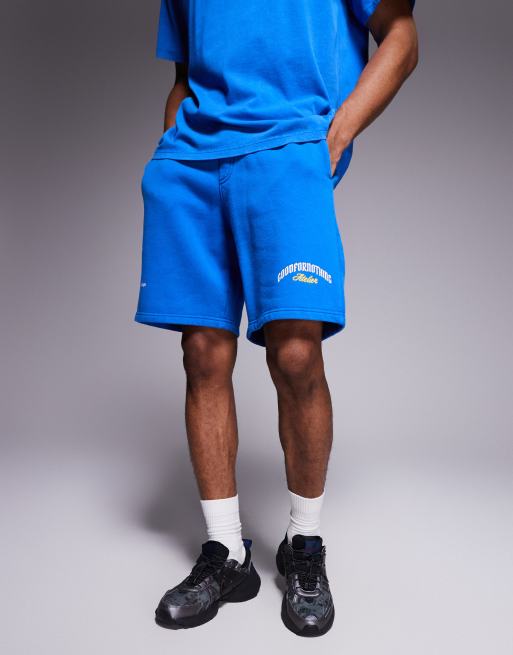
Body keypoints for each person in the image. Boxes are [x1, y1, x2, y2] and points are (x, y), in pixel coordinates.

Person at [135, 0, 418, 637]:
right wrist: (169, 150)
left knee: (296, 354)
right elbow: (185, 73)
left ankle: (304, 543)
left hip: (291, 151)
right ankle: (226, 552)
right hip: (192, 165)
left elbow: (401, 37)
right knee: (203, 354)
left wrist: (333, 139)